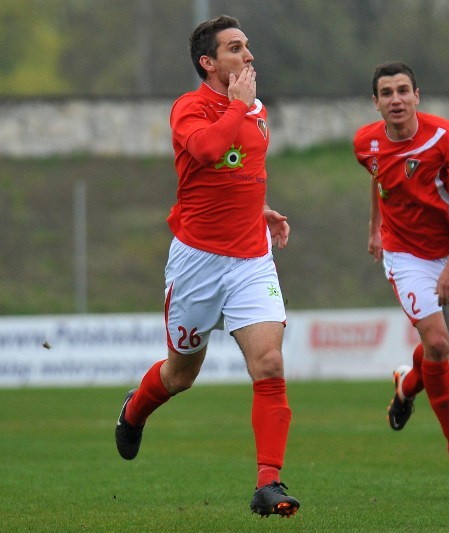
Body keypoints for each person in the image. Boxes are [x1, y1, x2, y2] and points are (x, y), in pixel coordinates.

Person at [114, 15, 299, 518]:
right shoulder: (190, 108)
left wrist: (260, 210)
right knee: (180, 376)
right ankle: (133, 412)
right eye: (236, 48)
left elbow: (242, 170)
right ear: (209, 62)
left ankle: (269, 483)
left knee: (270, 364)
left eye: (248, 47)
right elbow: (209, 150)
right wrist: (238, 108)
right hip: (197, 262)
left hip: (251, 259)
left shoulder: (255, 109)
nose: (248, 56)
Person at [353, 61, 449, 485]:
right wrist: (375, 227)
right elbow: (379, 178)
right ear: (375, 102)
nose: (396, 99)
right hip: (404, 255)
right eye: (387, 93)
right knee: (435, 341)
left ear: (417, 96)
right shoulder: (365, 143)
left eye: (403, 91)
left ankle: (406, 386)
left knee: (438, 350)